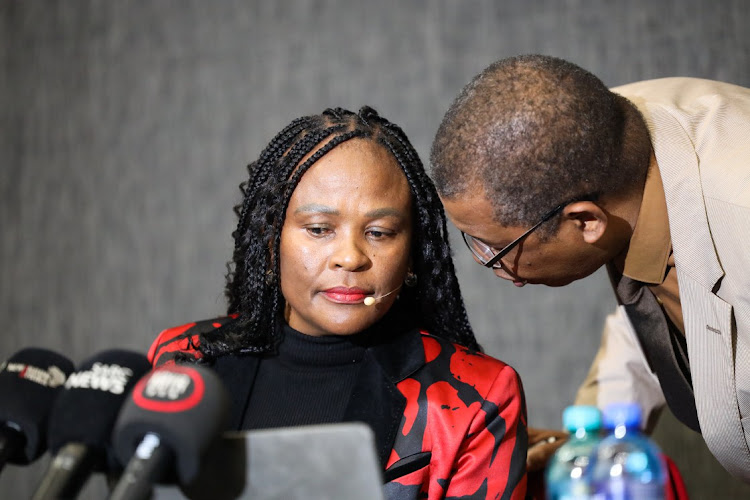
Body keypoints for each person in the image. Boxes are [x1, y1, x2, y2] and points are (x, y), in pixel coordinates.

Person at [148, 107, 528, 499]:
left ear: (412, 252)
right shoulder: (182, 359)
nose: (350, 257)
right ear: (269, 238)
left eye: (380, 232)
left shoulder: (476, 399)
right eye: (319, 229)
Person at [430, 54, 750, 482]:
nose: (491, 266)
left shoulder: (739, 220)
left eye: (498, 247)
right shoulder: (599, 144)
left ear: (585, 222)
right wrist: (587, 449)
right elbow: (663, 307)